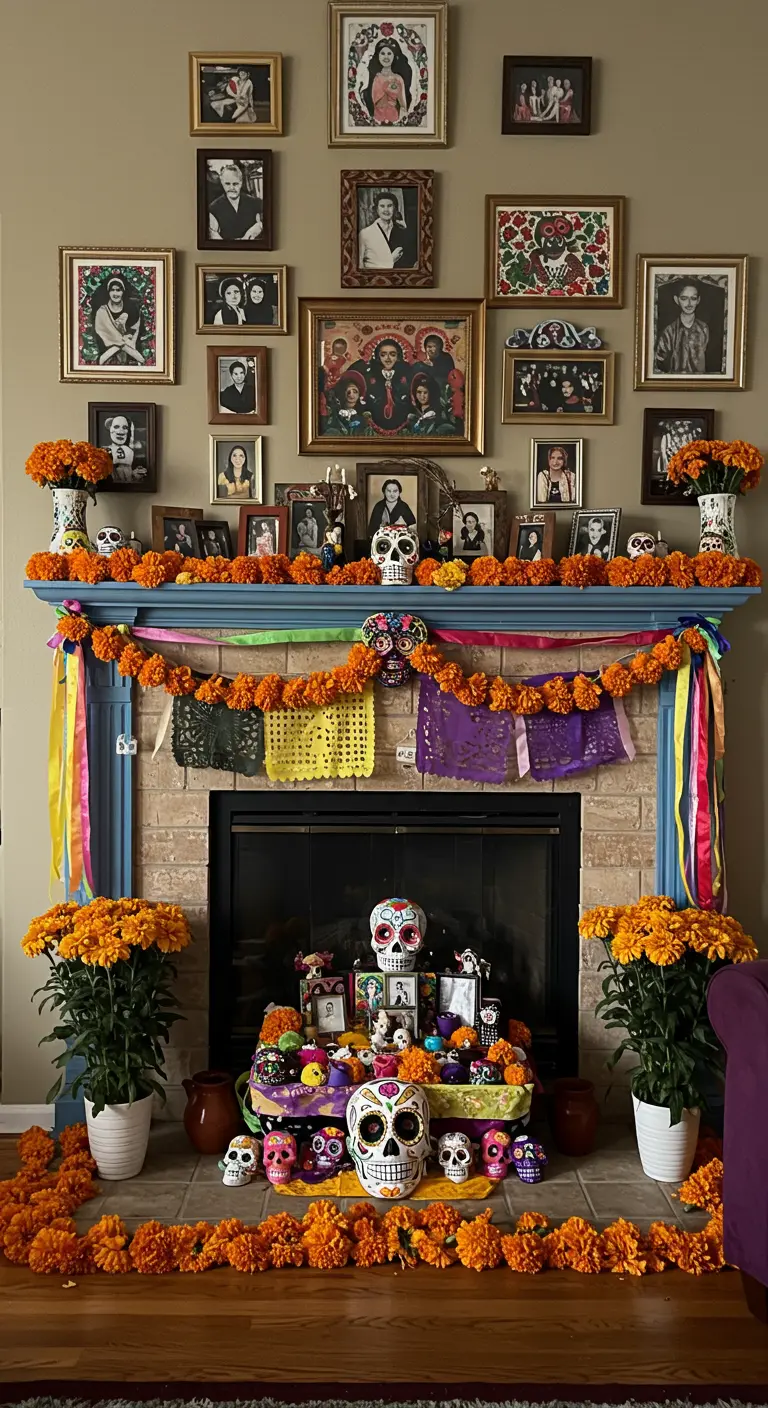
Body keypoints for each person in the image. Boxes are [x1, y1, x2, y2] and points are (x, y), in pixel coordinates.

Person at [654, 281, 710, 374]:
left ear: (698, 300)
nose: (689, 303)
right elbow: (659, 361)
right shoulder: (669, 331)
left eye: (693, 298)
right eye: (684, 298)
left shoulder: (704, 328)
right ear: (676, 300)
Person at [356, 339, 412, 431]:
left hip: (402, 425)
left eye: (392, 354)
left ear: (398, 357)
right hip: (373, 425)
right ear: (378, 357)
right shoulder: (369, 377)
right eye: (383, 355)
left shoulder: (406, 376)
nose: (388, 358)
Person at [92, 276, 144, 365]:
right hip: (108, 352)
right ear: (108, 292)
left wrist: (127, 347)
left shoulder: (131, 309)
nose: (115, 293)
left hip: (130, 349)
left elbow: (134, 331)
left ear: (123, 292)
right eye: (112, 290)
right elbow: (103, 334)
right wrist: (121, 345)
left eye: (118, 290)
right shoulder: (102, 312)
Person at [208, 162, 263, 242]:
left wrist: (260, 225)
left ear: (241, 183)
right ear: (222, 183)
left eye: (235, 184)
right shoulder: (213, 208)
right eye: (227, 184)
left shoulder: (255, 202)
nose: (231, 188)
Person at [361, 37, 411, 125]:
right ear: (378, 56)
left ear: (394, 56)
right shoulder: (372, 78)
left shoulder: (398, 79)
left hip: (394, 118)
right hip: (376, 119)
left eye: (389, 53)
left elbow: (403, 106)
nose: (386, 57)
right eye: (383, 53)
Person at [359, 191, 414, 269]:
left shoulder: (403, 232)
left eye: (389, 206)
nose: (386, 210)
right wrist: (391, 260)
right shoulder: (365, 234)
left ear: (394, 208)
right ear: (377, 209)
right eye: (382, 206)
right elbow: (360, 266)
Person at [102, 413, 145, 484]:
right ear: (110, 429)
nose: (121, 432)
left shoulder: (130, 451)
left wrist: (135, 474)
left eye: (125, 428)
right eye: (116, 427)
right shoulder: (105, 451)